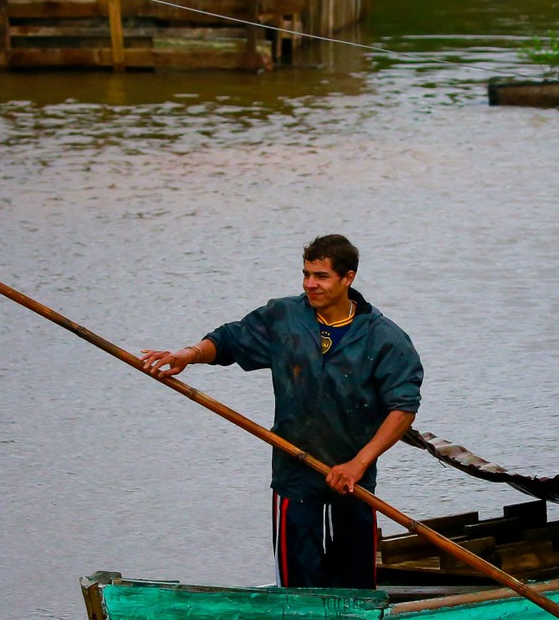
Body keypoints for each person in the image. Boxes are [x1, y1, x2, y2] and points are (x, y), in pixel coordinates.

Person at [140, 234, 422, 590]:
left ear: (348, 278)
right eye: (305, 274)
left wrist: (359, 462)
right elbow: (230, 340)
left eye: (320, 276)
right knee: (297, 590)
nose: (309, 284)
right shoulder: (284, 318)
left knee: (356, 590)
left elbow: (403, 408)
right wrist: (188, 354)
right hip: (295, 476)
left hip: (352, 482)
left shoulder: (384, 338)